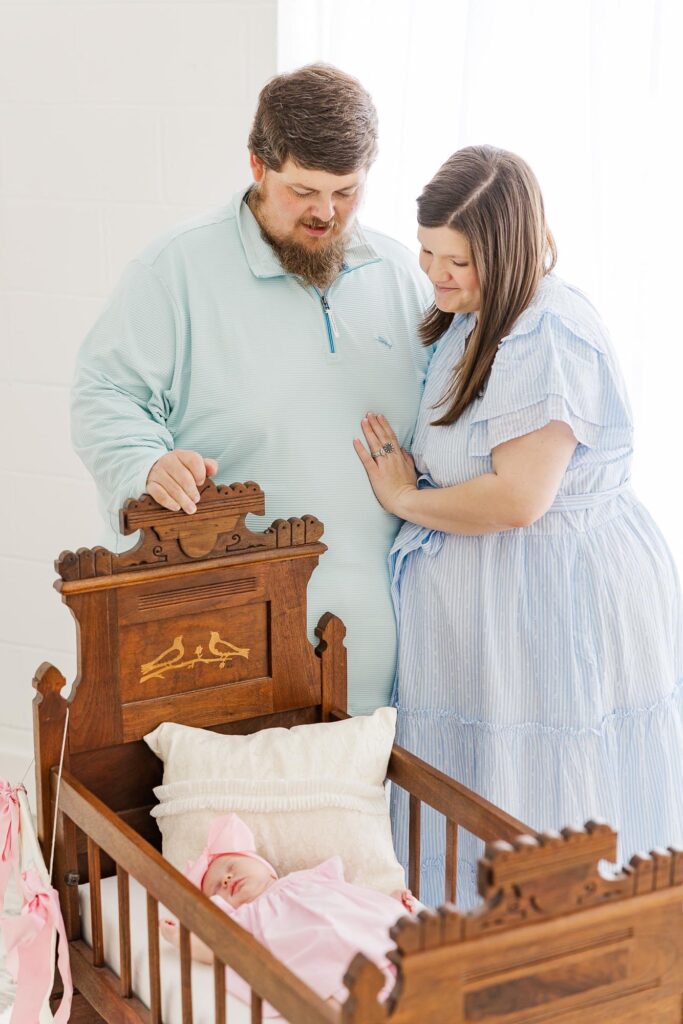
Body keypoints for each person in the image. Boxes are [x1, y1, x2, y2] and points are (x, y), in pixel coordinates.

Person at [354, 145, 683, 910]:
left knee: (541, 786)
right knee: (477, 786)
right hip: (489, 600)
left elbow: (517, 500)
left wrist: (404, 499)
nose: (435, 274)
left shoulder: (545, 336)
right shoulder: (474, 318)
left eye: (456, 260)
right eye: (427, 251)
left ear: (504, 253)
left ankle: (559, 965)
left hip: (546, 596)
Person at [71, 64, 430, 715]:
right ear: (257, 166)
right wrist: (148, 463)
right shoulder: (176, 268)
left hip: (388, 649)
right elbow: (106, 394)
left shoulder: (399, 272)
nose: (325, 212)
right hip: (230, 641)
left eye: (346, 192)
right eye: (304, 191)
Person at [160, 813, 415, 1011]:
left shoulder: (307, 877)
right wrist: (184, 940)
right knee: (334, 992)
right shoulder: (244, 918)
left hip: (354, 928)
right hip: (318, 955)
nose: (227, 879)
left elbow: (352, 897)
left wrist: (389, 902)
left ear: (265, 867)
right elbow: (220, 949)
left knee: (385, 939)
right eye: (218, 888)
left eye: (231, 866)